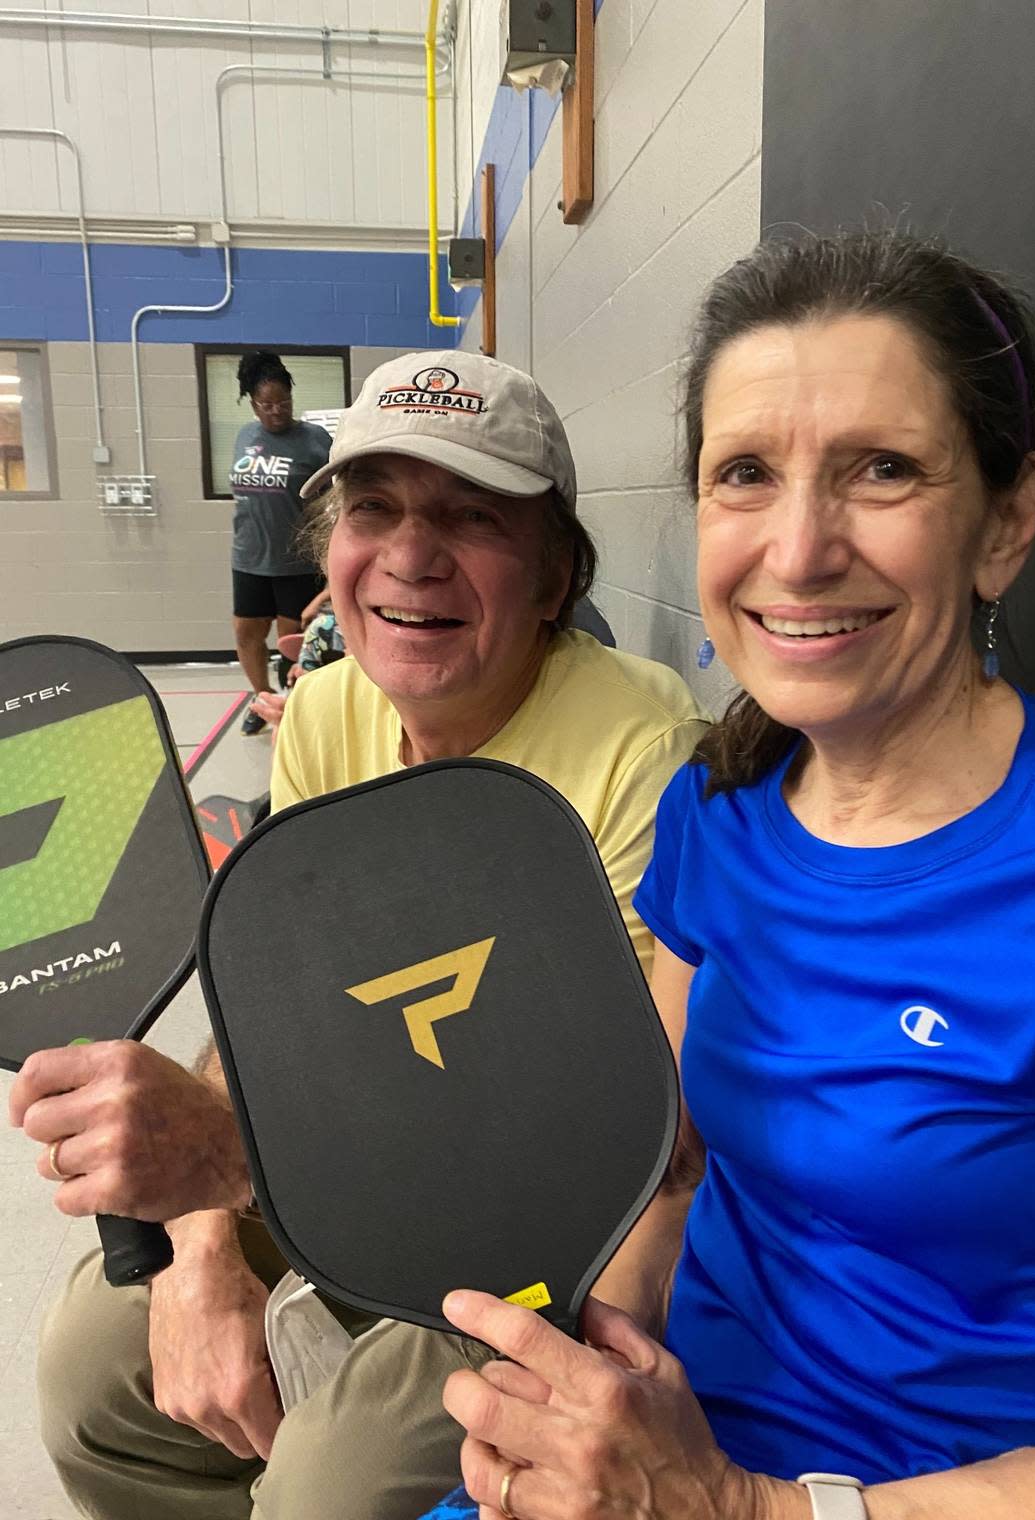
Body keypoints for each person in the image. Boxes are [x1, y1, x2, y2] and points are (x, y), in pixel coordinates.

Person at [431, 232, 1035, 1520]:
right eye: (746, 474)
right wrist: (593, 1370)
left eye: (883, 470)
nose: (801, 550)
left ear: (1009, 519)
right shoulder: (719, 805)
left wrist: (755, 1507)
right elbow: (673, 1166)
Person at [13, 351, 708, 1520]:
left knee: (326, 1488)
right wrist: (201, 1248)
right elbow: (277, 1008)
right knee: (92, 1371)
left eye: (469, 516)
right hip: (351, 1163)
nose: (408, 554)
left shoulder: (643, 749)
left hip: (546, 1231)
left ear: (552, 577)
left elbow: (621, 1130)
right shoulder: (331, 709)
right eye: (372, 506)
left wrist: (236, 1157)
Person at [230, 350, 332, 735]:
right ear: (252, 403)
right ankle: (262, 699)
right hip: (248, 558)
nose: (276, 411)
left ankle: (292, 708)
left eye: (283, 402)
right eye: (267, 404)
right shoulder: (244, 436)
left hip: (295, 563)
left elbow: (335, 499)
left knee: (291, 643)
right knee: (246, 635)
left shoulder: (313, 441)